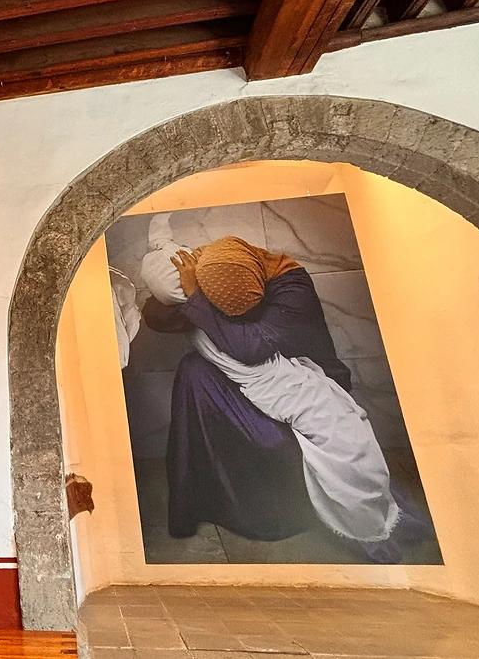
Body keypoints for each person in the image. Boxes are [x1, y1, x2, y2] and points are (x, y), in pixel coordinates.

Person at [140, 234, 418, 562]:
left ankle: (365, 518)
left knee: (343, 439)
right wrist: (188, 288)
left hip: (295, 375)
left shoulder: (290, 286)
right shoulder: (217, 277)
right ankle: (205, 499)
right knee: (194, 369)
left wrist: (195, 297)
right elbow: (157, 315)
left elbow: (250, 347)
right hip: (258, 379)